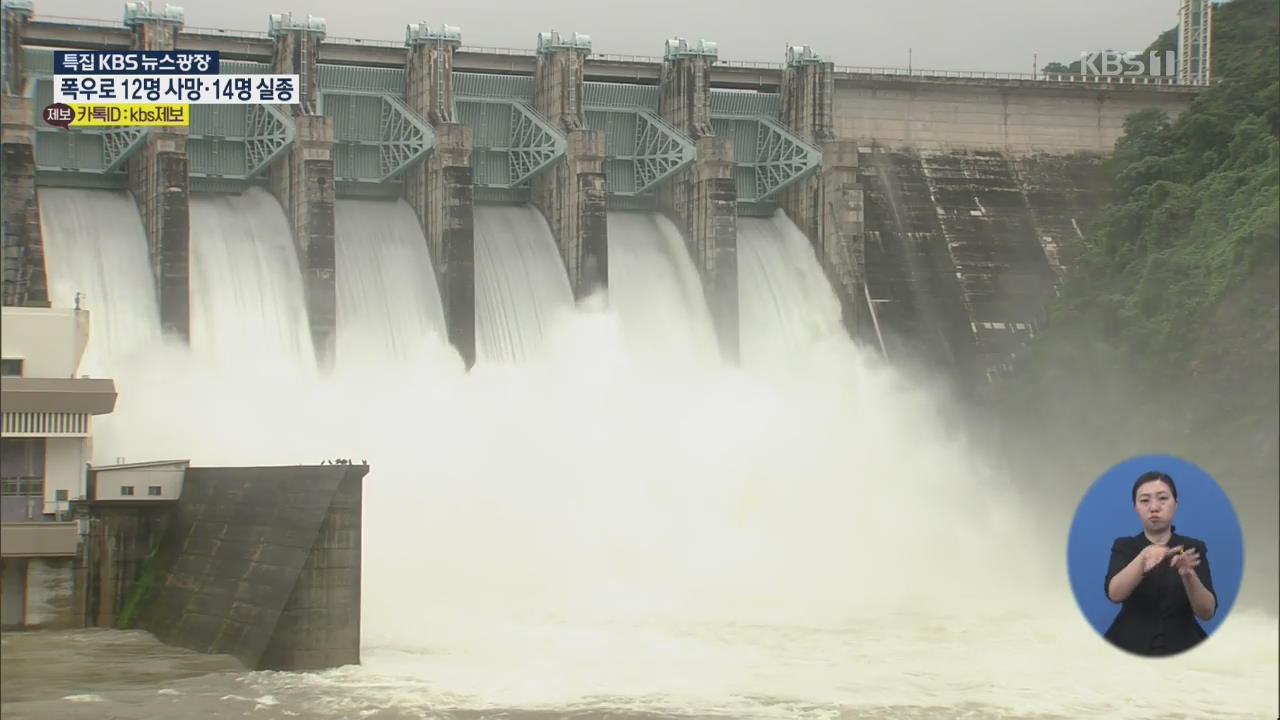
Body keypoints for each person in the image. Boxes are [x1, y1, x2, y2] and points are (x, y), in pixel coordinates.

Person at [1103, 471, 1217, 656]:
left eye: (1163, 498)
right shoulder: (1125, 546)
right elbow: (1115, 594)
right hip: (1127, 644)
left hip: (1185, 646)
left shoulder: (1191, 547)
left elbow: (1206, 612)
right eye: (1145, 500)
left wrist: (1188, 575)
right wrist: (1143, 557)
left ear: (1175, 504)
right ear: (1135, 507)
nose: (1154, 507)